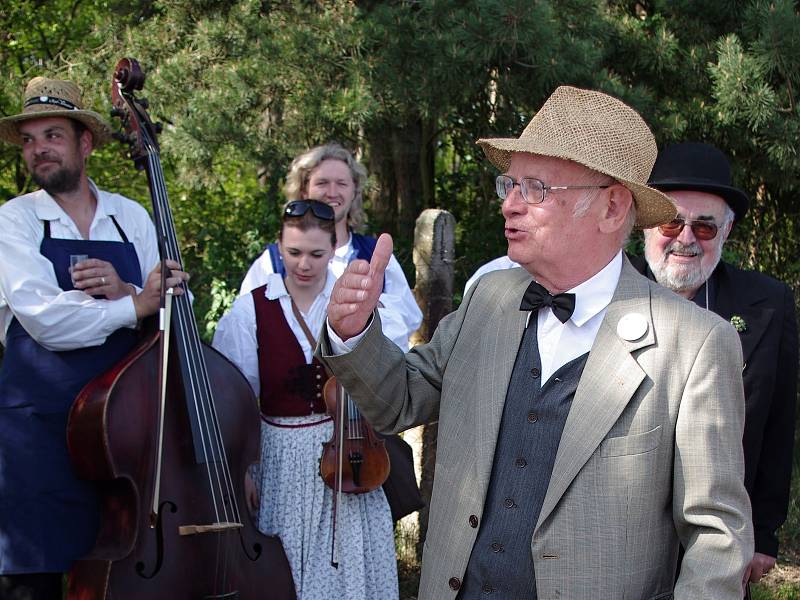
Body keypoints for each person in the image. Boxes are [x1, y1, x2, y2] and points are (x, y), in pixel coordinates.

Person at [318, 86, 754, 599]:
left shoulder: (695, 344)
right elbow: (400, 400)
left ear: (612, 207)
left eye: (535, 188)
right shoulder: (489, 299)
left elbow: (717, 539)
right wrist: (353, 332)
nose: (509, 204)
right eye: (509, 183)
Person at [0, 77, 188, 599]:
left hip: (122, 438)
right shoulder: (13, 220)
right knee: (31, 580)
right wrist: (132, 305)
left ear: (85, 143)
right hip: (39, 432)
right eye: (30, 139)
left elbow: (171, 309)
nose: (39, 148)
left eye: (52, 135)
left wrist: (132, 290)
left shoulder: (131, 217)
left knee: (120, 572)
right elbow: (43, 318)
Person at [212, 200, 398, 599]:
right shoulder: (251, 309)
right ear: (279, 247)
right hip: (278, 454)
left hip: (348, 449)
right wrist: (242, 468)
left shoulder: (350, 301)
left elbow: (388, 366)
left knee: (350, 560)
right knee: (287, 564)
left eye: (316, 253)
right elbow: (235, 399)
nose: (304, 264)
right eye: (294, 252)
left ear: (334, 249)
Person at [634, 141, 798, 586]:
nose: (686, 239)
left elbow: (777, 425)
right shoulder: (606, 294)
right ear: (643, 226)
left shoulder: (768, 304)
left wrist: (763, 535)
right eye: (671, 221)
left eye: (704, 228)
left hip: (719, 538)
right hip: (616, 535)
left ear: (725, 234)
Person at [240, 143, 421, 351]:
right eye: (322, 183)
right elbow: (246, 326)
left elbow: (408, 322)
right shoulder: (274, 260)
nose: (332, 192)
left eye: (341, 183)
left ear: (354, 191)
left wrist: (371, 312)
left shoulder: (375, 256)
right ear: (303, 189)